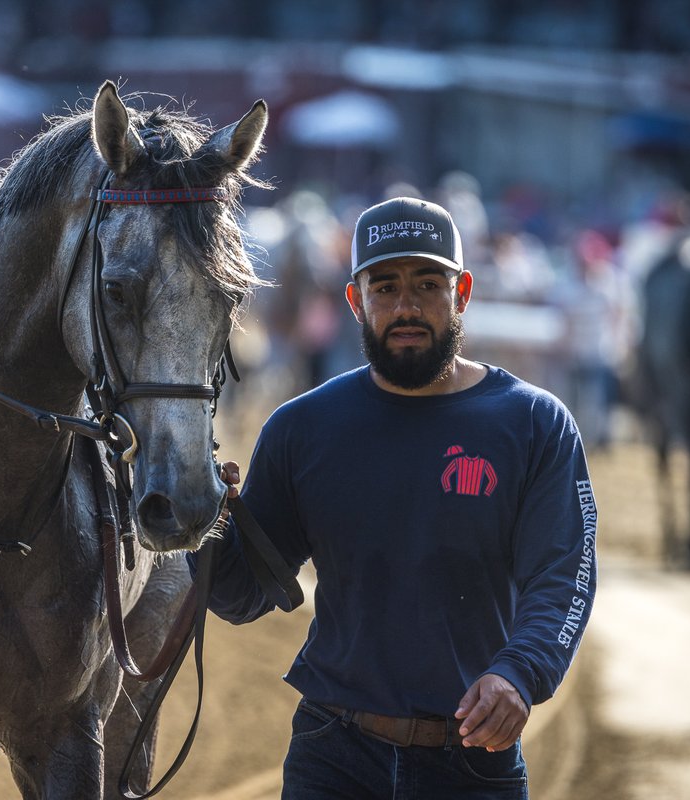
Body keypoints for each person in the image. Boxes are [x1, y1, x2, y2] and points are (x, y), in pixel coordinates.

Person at [195, 197, 598, 799]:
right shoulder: (302, 429)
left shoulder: (535, 424)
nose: (406, 307)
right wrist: (202, 511)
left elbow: (564, 575)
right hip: (332, 757)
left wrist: (519, 673)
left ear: (461, 292)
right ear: (356, 301)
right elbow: (240, 595)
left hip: (474, 762)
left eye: (427, 284)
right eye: (385, 287)